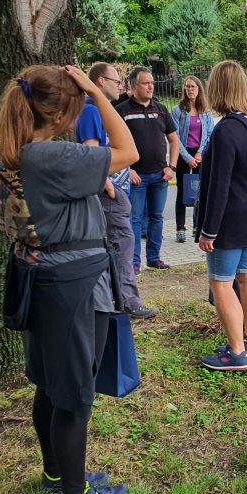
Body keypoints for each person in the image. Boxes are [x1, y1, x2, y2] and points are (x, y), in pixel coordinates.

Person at [0, 65, 138, 494]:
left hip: (38, 274)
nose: (77, 119)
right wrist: (97, 92)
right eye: (74, 110)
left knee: (50, 384)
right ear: (58, 115)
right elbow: (127, 150)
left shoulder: (6, 151)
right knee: (75, 392)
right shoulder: (49, 156)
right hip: (74, 283)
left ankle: (56, 471)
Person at [196, 61, 247, 372]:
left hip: (230, 218)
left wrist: (208, 230)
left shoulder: (226, 130)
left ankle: (236, 353)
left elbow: (219, 185)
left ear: (218, 89)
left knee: (222, 284)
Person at [76, 62, 158, 320]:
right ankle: (129, 303)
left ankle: (115, 298)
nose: (120, 86)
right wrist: (108, 186)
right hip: (109, 192)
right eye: (116, 81)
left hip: (114, 189)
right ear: (100, 82)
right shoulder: (91, 111)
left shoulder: (100, 109)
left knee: (119, 244)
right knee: (123, 244)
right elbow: (91, 152)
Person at [115, 66, 182, 273]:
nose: (151, 86)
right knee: (134, 219)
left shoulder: (161, 109)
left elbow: (174, 140)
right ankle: (134, 263)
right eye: (146, 83)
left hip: (160, 175)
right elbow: (113, 143)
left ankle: (154, 258)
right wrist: (128, 169)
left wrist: (171, 167)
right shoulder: (122, 111)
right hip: (136, 176)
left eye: (152, 82)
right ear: (134, 86)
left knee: (157, 217)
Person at [171, 75, 216, 243]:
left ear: (199, 89)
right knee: (182, 191)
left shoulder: (205, 112)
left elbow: (210, 134)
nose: (190, 89)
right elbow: (174, 137)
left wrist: (199, 153)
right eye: (187, 86)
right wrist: (188, 157)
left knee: (200, 190)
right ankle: (180, 228)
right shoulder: (178, 110)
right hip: (183, 155)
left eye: (193, 87)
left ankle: (198, 226)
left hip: (200, 155)